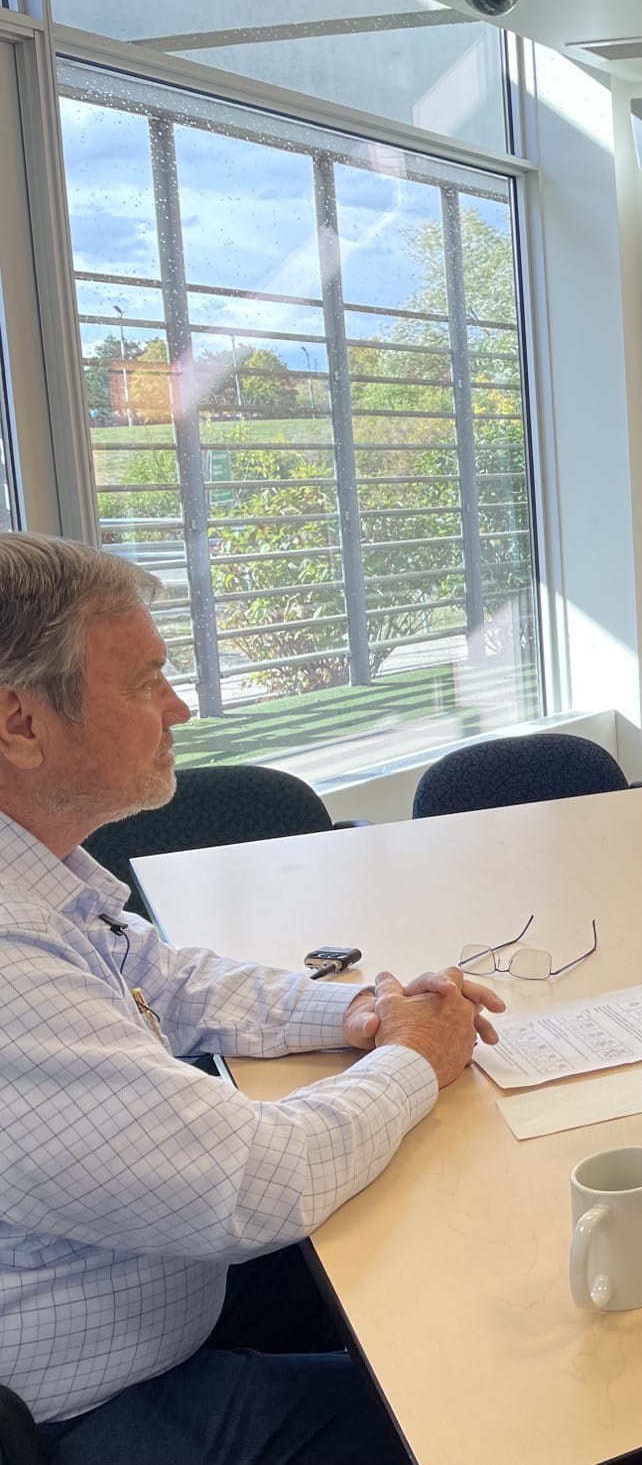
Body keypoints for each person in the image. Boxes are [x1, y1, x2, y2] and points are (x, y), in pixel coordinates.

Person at [0, 532, 506, 1463]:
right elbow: (254, 1181)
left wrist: (356, 1013)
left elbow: (172, 981)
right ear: (20, 723)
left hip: (151, 1275)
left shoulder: (40, 877)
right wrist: (413, 1056)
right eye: (144, 681)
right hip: (84, 1410)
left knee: (441, 1266)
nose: (180, 707)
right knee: (491, 1412)